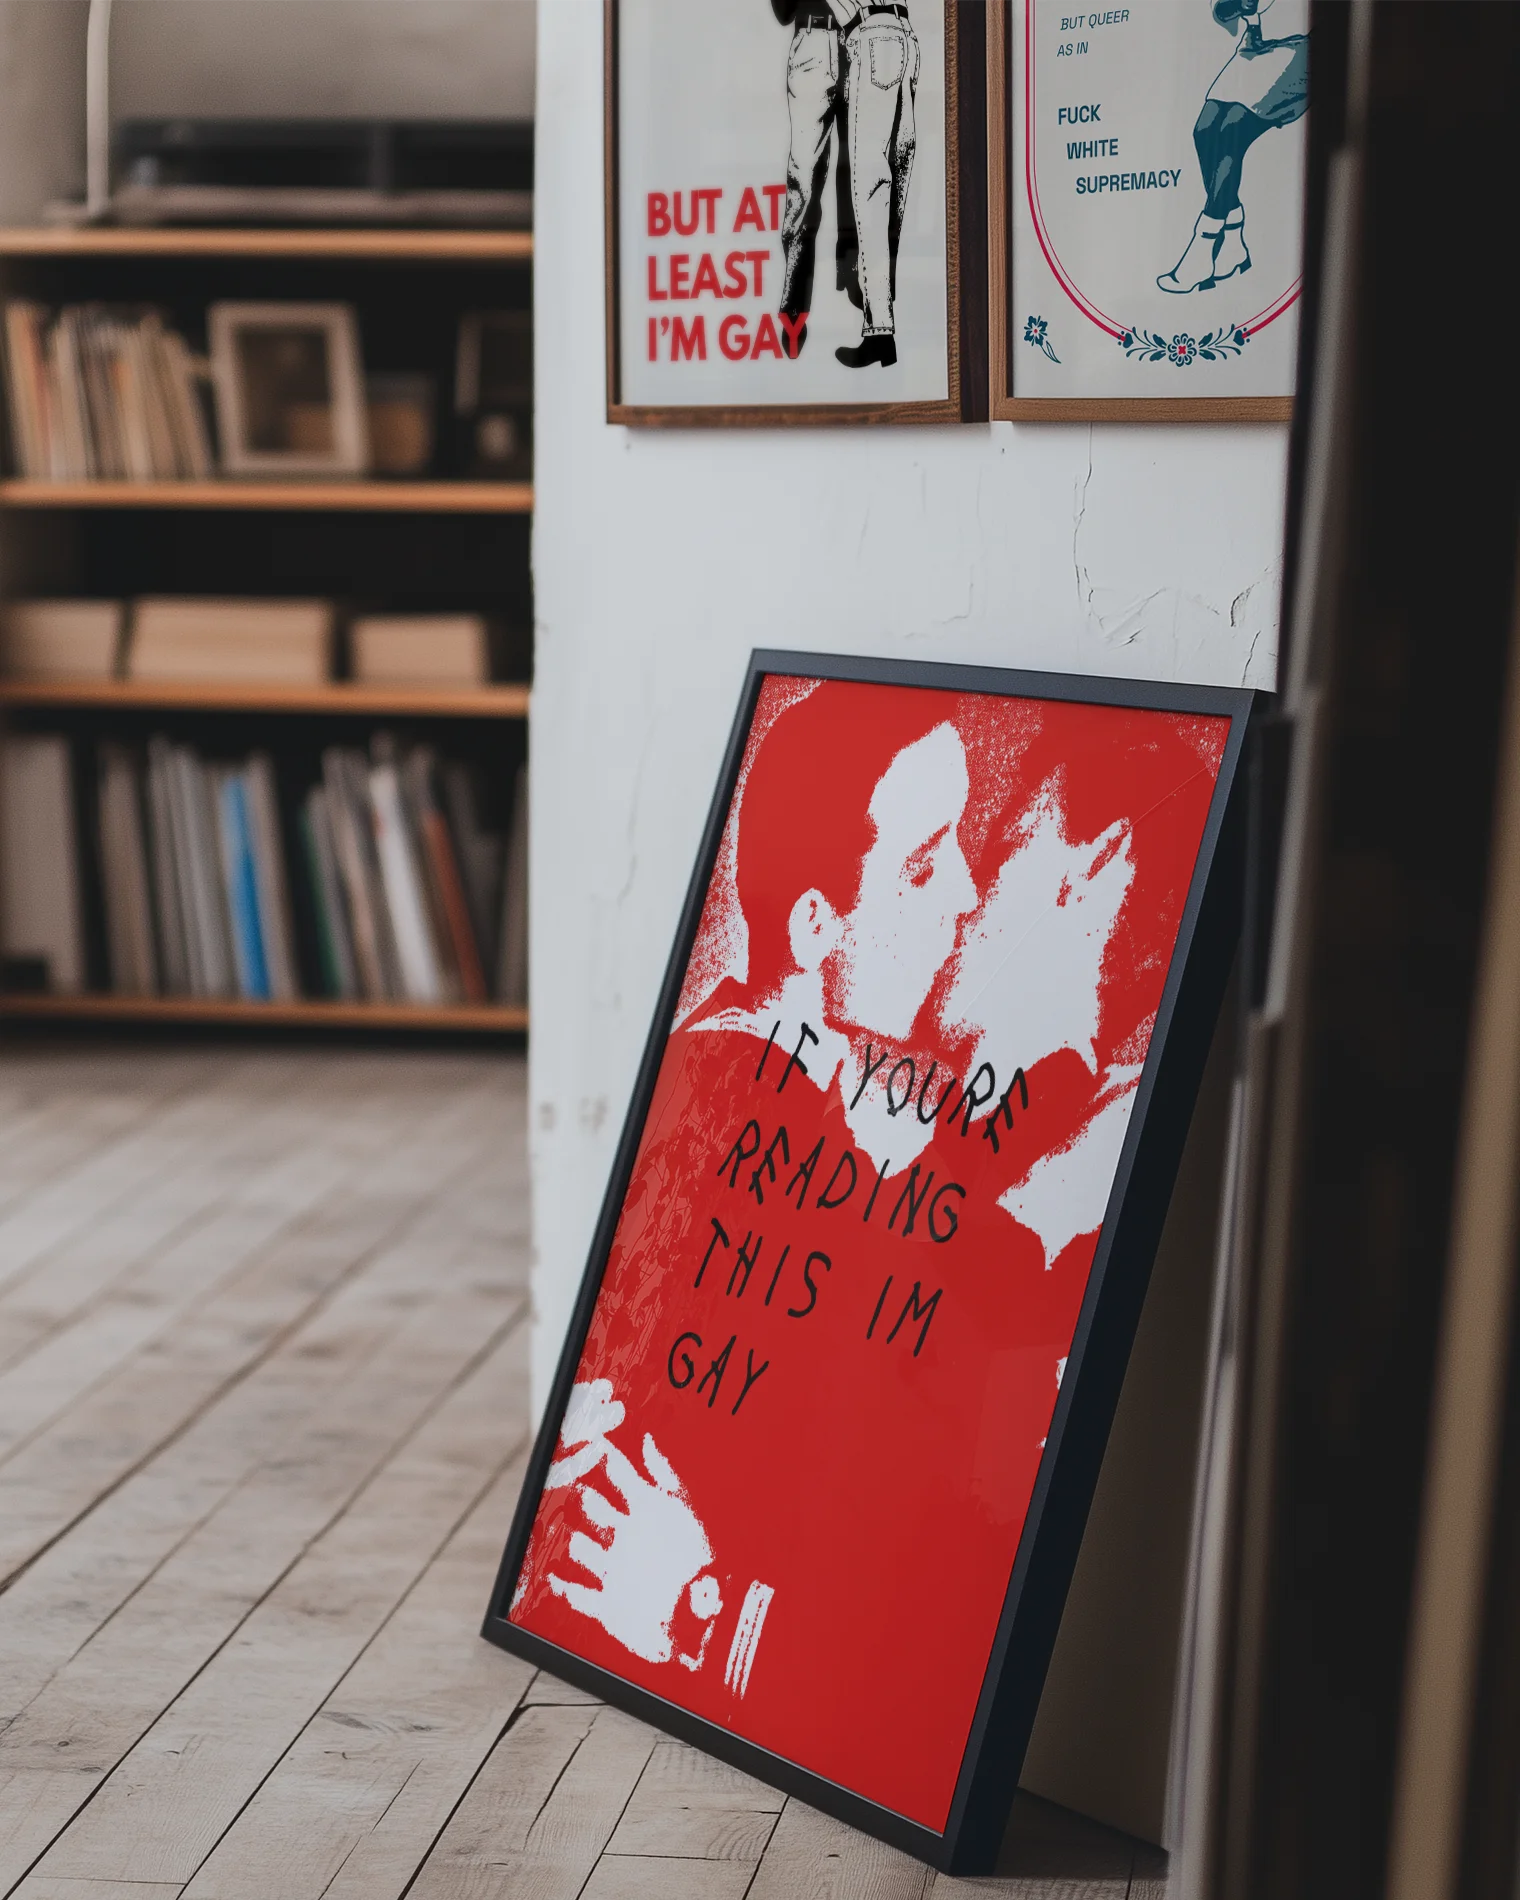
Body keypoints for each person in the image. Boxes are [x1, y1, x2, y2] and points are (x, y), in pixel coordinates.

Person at [508, 680, 1228, 1829]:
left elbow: (919, 1586)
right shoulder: (777, 1092)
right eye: (933, 861)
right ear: (811, 930)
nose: (962, 899)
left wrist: (705, 1609)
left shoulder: (1056, 1186)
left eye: (992, 853)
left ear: (1086, 871)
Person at [1159, 0, 1310, 295]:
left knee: (1232, 130)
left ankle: (1203, 248)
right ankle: (1233, 241)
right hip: (1257, 39)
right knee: (1204, 129)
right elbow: (1223, 12)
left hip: (1302, 48)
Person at [834, 0, 920, 366]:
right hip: (907, 39)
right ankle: (884, 310)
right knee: (898, 176)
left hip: (871, 36)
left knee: (871, 188)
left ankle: (880, 331)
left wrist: (848, 22)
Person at [774, 0, 860, 358]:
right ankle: (794, 307)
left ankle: (855, 274)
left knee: (862, 172)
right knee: (804, 179)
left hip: (864, 39)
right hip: (812, 43)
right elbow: (782, 9)